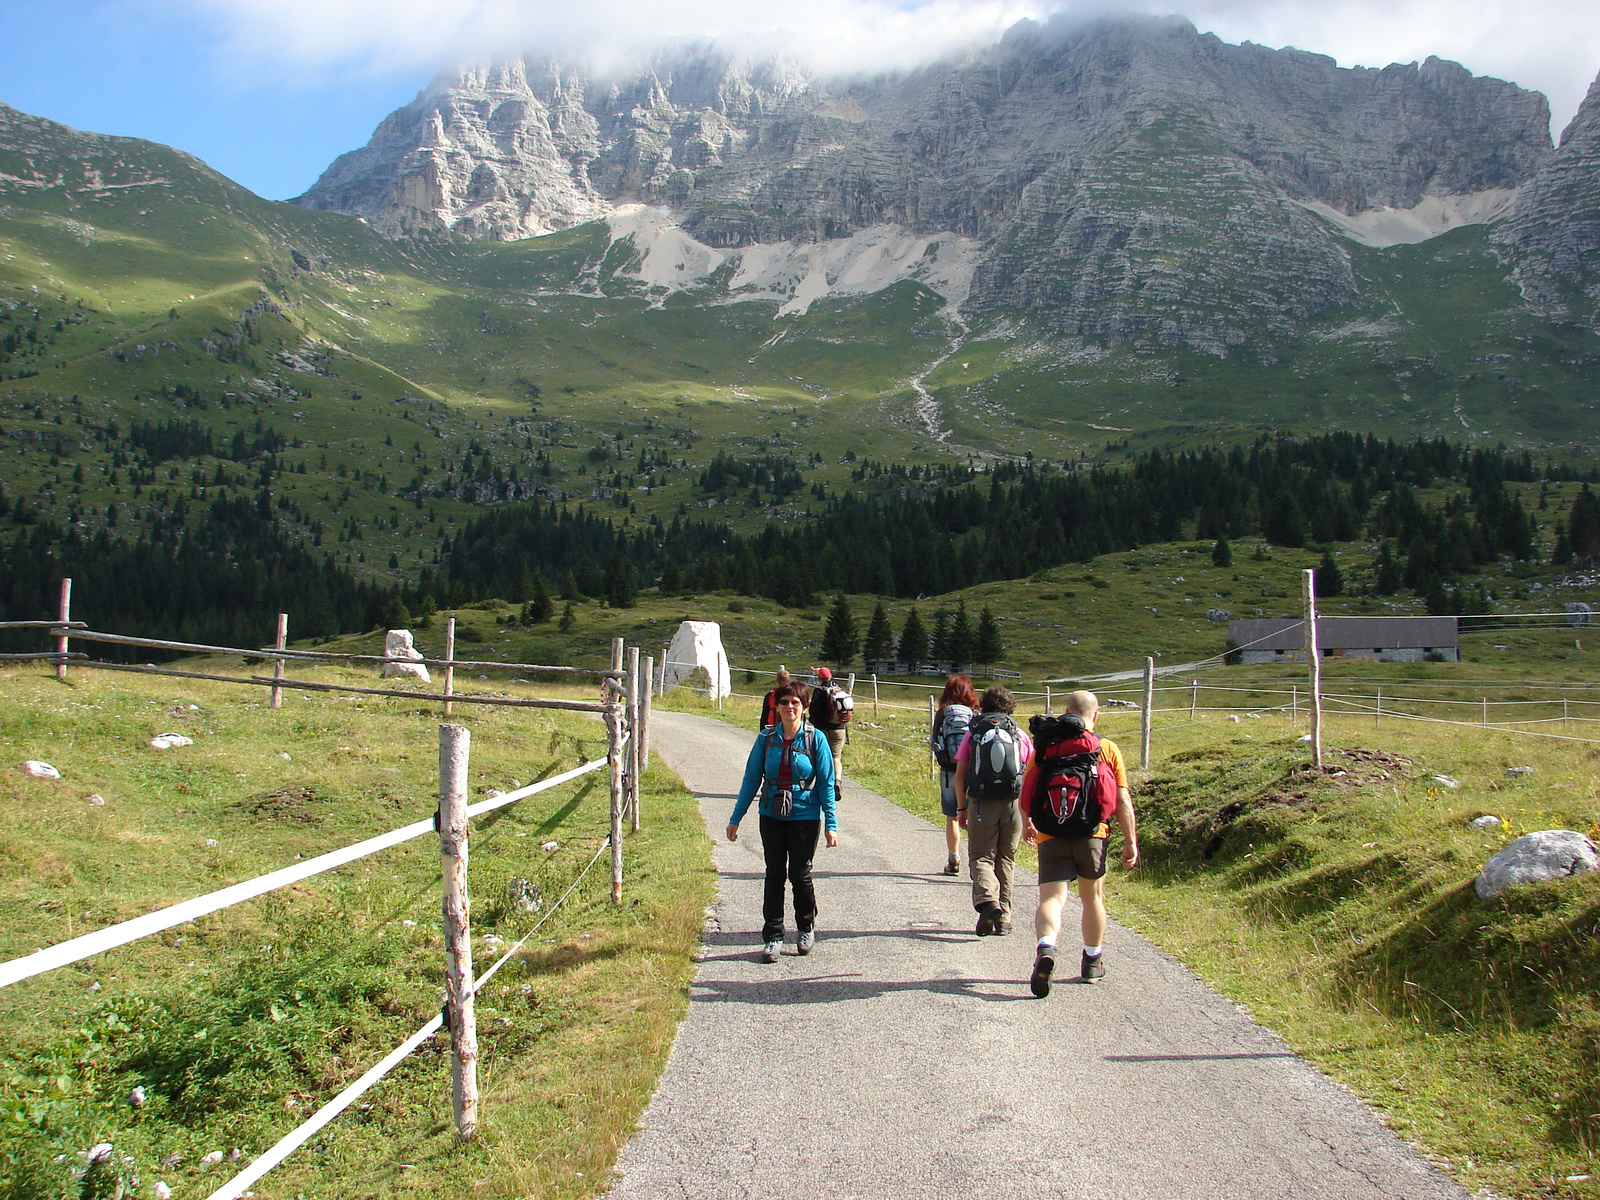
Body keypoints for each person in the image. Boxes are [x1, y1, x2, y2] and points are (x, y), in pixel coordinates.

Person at [1020, 689, 1138, 995]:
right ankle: (1092, 961)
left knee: (1051, 899)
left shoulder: (1046, 747)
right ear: (1095, 716)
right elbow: (1122, 799)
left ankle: (1047, 947)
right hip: (1093, 835)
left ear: (1066, 712)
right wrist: (1130, 841)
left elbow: (1029, 789)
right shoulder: (1107, 748)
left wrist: (1028, 823)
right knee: (1092, 898)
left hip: (1051, 833)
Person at [728, 680, 839, 962]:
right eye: (785, 702)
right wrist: (735, 818)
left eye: (795, 703)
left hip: (805, 815)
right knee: (774, 874)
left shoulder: (816, 739)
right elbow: (751, 779)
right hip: (771, 814)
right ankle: (774, 935)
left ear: (804, 708)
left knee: (800, 874)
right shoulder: (766, 738)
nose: (790, 707)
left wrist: (831, 824)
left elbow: (826, 783)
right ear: (776, 707)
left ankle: (805, 927)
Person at [954, 685, 1031, 936]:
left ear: (983, 705)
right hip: (1013, 803)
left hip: (981, 802)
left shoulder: (974, 733)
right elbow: (1028, 774)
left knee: (980, 856)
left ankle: (989, 900)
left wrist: (961, 807)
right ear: (1010, 708)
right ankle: (1004, 918)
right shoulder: (1019, 734)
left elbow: (960, 776)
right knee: (1006, 858)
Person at [931, 673, 978, 875]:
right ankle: (978, 860)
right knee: (975, 815)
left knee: (952, 815)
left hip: (949, 769)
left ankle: (954, 859)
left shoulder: (942, 713)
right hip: (971, 770)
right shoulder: (974, 714)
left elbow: (934, 740)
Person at [808, 666, 851, 806]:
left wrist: (812, 722)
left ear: (820, 679)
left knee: (820, 758)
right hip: (839, 728)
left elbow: (813, 711)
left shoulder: (819, 691)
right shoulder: (838, 687)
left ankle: (821, 787)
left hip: (823, 729)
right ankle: (837, 781)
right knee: (836, 757)